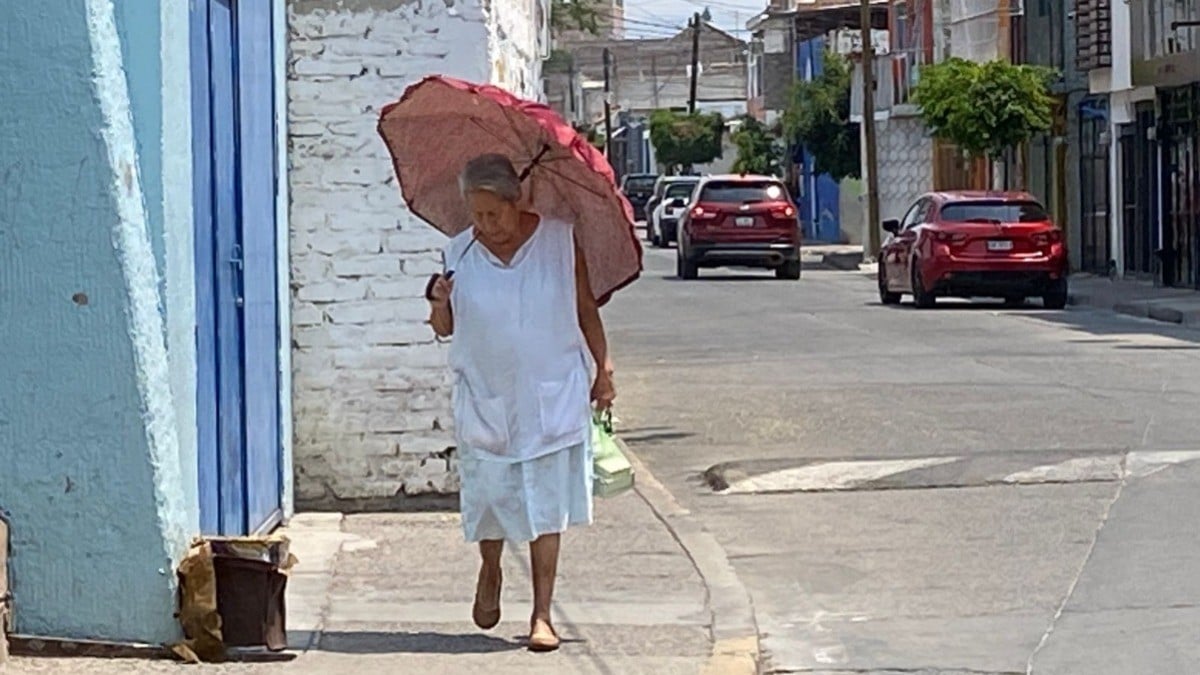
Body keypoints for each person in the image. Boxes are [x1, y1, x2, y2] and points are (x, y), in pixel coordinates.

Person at [426, 153, 616, 652]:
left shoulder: (557, 240)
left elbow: (584, 306)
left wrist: (605, 369)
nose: (487, 226)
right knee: (492, 502)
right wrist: (440, 305)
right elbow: (446, 330)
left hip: (551, 392)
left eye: (496, 214)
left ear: (519, 201)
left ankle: (542, 614)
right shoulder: (460, 251)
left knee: (545, 509)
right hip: (487, 397)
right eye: (478, 216)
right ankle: (491, 567)